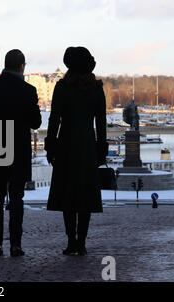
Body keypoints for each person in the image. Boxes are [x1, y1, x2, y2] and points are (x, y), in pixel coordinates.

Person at [0, 49, 42, 257]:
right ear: (22, 66)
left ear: (4, 65)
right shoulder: (28, 90)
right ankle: (16, 244)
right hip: (19, 152)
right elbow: (36, 122)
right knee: (16, 199)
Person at [44, 47, 108, 256]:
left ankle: (71, 239)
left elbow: (54, 119)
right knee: (86, 195)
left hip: (66, 144)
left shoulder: (62, 87)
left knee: (68, 194)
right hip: (88, 144)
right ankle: (82, 241)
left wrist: (50, 146)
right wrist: (101, 148)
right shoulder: (96, 89)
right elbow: (101, 123)